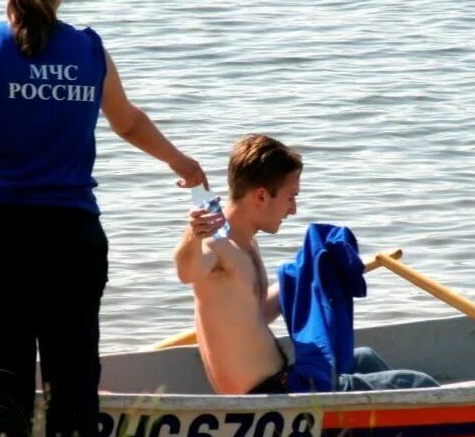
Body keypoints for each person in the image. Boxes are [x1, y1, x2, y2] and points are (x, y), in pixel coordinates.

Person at [0, 0, 206, 437]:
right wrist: (180, 162)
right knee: (72, 375)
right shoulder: (88, 48)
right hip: (72, 235)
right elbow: (128, 121)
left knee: (2, 372)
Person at [173, 134, 438, 394]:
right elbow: (187, 272)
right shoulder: (216, 246)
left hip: (283, 383)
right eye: (290, 197)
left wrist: (315, 274)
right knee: (417, 383)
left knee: (365, 358)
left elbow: (255, 313)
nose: (293, 209)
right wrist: (193, 232)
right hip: (272, 399)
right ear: (262, 197)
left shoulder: (246, 244)